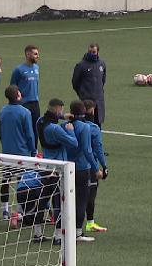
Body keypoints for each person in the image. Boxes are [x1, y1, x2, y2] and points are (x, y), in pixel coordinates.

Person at [34, 99, 79, 243]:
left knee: (43, 198)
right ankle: (58, 235)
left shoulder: (40, 122)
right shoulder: (56, 129)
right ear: (58, 108)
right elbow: (74, 143)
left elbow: (50, 118)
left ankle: (37, 233)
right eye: (61, 110)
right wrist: (70, 131)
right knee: (58, 201)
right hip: (58, 168)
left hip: (46, 165)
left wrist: (62, 117)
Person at [0, 85, 37, 223]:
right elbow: (29, 134)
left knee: (6, 180)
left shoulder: (2, 111)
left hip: (7, 153)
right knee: (23, 183)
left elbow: (0, 132)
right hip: (22, 153)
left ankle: (5, 210)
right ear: (17, 95)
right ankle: (20, 211)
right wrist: (33, 150)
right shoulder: (25, 112)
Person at [64, 101, 99, 243]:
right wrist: (96, 168)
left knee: (66, 199)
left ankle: (63, 230)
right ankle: (78, 233)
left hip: (67, 166)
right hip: (82, 168)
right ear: (84, 111)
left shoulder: (65, 126)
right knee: (81, 201)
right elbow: (87, 150)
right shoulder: (85, 127)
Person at [81, 99, 109, 233]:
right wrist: (104, 166)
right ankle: (89, 223)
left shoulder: (69, 125)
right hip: (89, 167)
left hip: (72, 166)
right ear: (91, 110)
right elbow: (98, 149)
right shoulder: (93, 128)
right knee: (90, 195)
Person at [71, 43, 107, 127]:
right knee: (87, 126)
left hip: (99, 101)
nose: (91, 54)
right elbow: (75, 82)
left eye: (93, 52)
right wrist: (82, 93)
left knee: (98, 126)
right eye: (90, 52)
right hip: (86, 102)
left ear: (98, 52)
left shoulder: (102, 64)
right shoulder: (81, 65)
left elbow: (103, 80)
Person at [11, 45, 41, 133]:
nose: (38, 56)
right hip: (24, 103)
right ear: (28, 54)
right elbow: (13, 87)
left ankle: (33, 147)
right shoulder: (18, 70)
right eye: (35, 54)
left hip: (35, 103)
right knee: (25, 128)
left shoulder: (36, 68)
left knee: (35, 128)